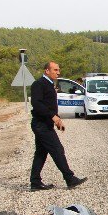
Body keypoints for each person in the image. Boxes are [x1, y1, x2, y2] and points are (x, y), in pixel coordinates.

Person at [29, 61, 87, 191]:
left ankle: (35, 182)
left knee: (41, 153)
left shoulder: (49, 84)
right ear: (46, 71)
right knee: (57, 149)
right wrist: (53, 116)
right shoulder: (39, 84)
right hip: (41, 125)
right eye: (55, 70)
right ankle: (70, 179)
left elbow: (48, 105)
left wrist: (57, 119)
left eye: (58, 70)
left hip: (45, 124)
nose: (58, 72)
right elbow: (37, 104)